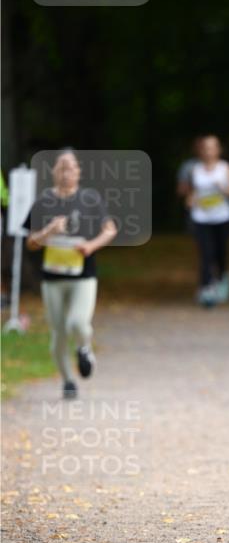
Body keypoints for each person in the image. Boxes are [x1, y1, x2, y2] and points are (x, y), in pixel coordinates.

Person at [24, 149, 117, 399]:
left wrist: (91, 246)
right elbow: (30, 242)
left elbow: (110, 230)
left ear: (79, 172)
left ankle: (84, 348)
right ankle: (67, 380)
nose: (66, 173)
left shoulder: (90, 200)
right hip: (52, 278)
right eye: (61, 168)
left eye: (71, 168)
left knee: (77, 322)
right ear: (54, 172)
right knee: (58, 334)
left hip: (83, 275)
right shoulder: (44, 202)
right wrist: (48, 232)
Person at [185, 135, 229, 307]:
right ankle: (205, 289)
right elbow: (190, 194)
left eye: (212, 147)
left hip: (222, 217)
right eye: (206, 147)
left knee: (220, 253)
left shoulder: (227, 169)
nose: (209, 151)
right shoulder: (195, 170)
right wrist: (190, 200)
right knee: (206, 253)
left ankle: (223, 277)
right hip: (201, 218)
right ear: (201, 151)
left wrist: (224, 188)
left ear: (219, 150)